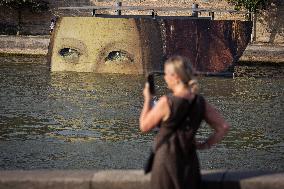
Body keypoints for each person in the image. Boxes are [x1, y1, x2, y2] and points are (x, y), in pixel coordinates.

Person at [139, 55, 230, 189]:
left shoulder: (167, 102)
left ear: (175, 76)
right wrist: (205, 144)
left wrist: (148, 98)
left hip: (166, 162)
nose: (165, 78)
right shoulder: (200, 102)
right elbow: (223, 127)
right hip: (190, 163)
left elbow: (144, 126)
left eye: (166, 74)